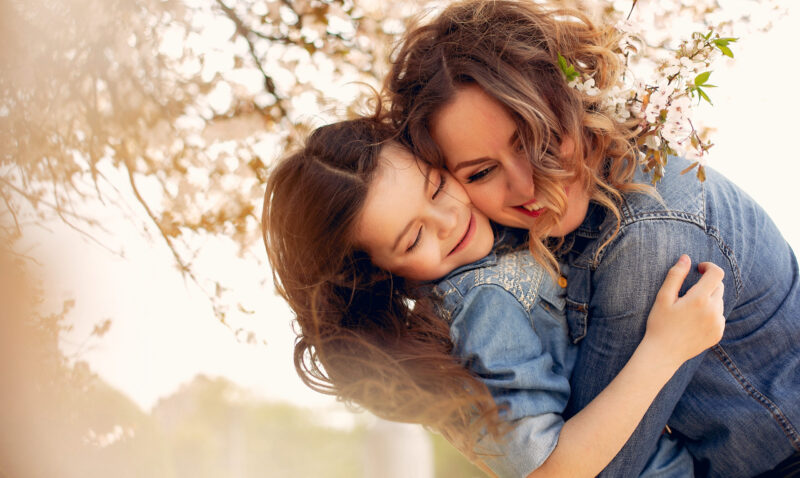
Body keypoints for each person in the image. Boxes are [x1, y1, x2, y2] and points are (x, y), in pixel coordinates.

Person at [386, 0, 800, 477]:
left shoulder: (646, 236)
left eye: (537, 139)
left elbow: (604, 468)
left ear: (575, 102)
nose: (527, 185)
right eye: (481, 172)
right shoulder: (549, 227)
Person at [262, 115, 726, 477]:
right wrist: (665, 350)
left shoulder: (492, 246)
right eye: (412, 239)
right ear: (381, 276)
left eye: (438, 187)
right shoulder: (484, 305)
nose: (446, 221)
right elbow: (548, 470)